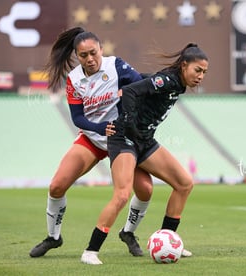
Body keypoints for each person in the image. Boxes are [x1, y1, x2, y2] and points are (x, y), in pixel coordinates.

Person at [29, 27, 153, 258]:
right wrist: (100, 129)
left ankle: (128, 233)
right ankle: (53, 237)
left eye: (93, 53)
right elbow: (77, 118)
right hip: (94, 138)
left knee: (145, 189)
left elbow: (141, 85)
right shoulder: (74, 79)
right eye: (83, 55)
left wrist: (132, 92)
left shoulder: (116, 66)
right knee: (56, 186)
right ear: (77, 56)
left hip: (123, 140)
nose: (90, 59)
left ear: (101, 50)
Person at [81, 43, 209, 265]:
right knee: (122, 195)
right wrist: (129, 122)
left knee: (184, 183)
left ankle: (167, 239)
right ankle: (90, 251)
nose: (201, 76)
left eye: (204, 72)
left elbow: (146, 83)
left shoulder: (177, 83)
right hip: (124, 138)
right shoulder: (169, 80)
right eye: (198, 70)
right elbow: (130, 92)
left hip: (144, 141)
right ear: (185, 65)